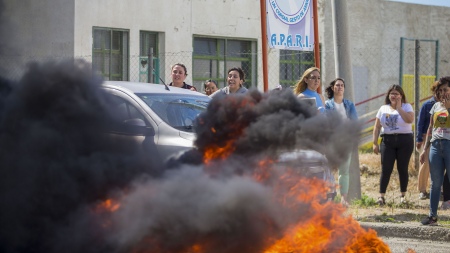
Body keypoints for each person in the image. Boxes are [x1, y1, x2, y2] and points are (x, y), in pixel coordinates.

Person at [372, 84, 414, 206]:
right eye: (392, 93)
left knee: (402, 168)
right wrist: (375, 143)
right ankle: (381, 196)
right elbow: (377, 127)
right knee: (386, 169)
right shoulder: (383, 108)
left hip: (404, 140)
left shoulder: (407, 106)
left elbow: (409, 120)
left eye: (397, 94)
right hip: (388, 141)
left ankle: (403, 196)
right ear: (389, 95)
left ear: (401, 95)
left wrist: (399, 108)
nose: (394, 96)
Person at [420, 77, 450, 226]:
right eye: (440, 91)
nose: (443, 93)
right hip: (436, 146)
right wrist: (424, 149)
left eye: (445, 89)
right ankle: (432, 217)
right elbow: (430, 128)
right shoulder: (436, 106)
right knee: (435, 182)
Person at [324, 78, 358, 207]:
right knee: (328, 170)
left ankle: (344, 198)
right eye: (337, 85)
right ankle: (329, 196)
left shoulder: (349, 105)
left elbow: (354, 121)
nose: (340, 87)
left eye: (342, 85)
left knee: (344, 171)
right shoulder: (327, 104)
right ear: (333, 88)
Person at [416, 82, 438, 200]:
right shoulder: (428, 105)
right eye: (438, 91)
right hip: (428, 136)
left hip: (443, 136)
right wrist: (419, 139)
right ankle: (422, 190)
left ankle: (441, 190)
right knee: (426, 163)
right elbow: (420, 123)